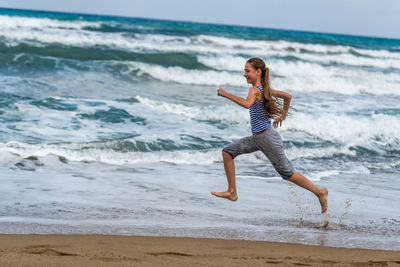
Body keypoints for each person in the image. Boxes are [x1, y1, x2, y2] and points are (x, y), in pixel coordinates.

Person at [211, 57, 328, 213]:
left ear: (258, 72)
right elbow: (288, 96)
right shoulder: (264, 90)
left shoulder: (255, 90)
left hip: (266, 138)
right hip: (259, 138)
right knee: (227, 152)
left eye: (248, 71)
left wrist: (226, 94)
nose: (245, 74)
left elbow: (247, 104)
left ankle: (319, 192)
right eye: (244, 71)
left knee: (288, 174)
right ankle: (232, 191)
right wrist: (283, 116)